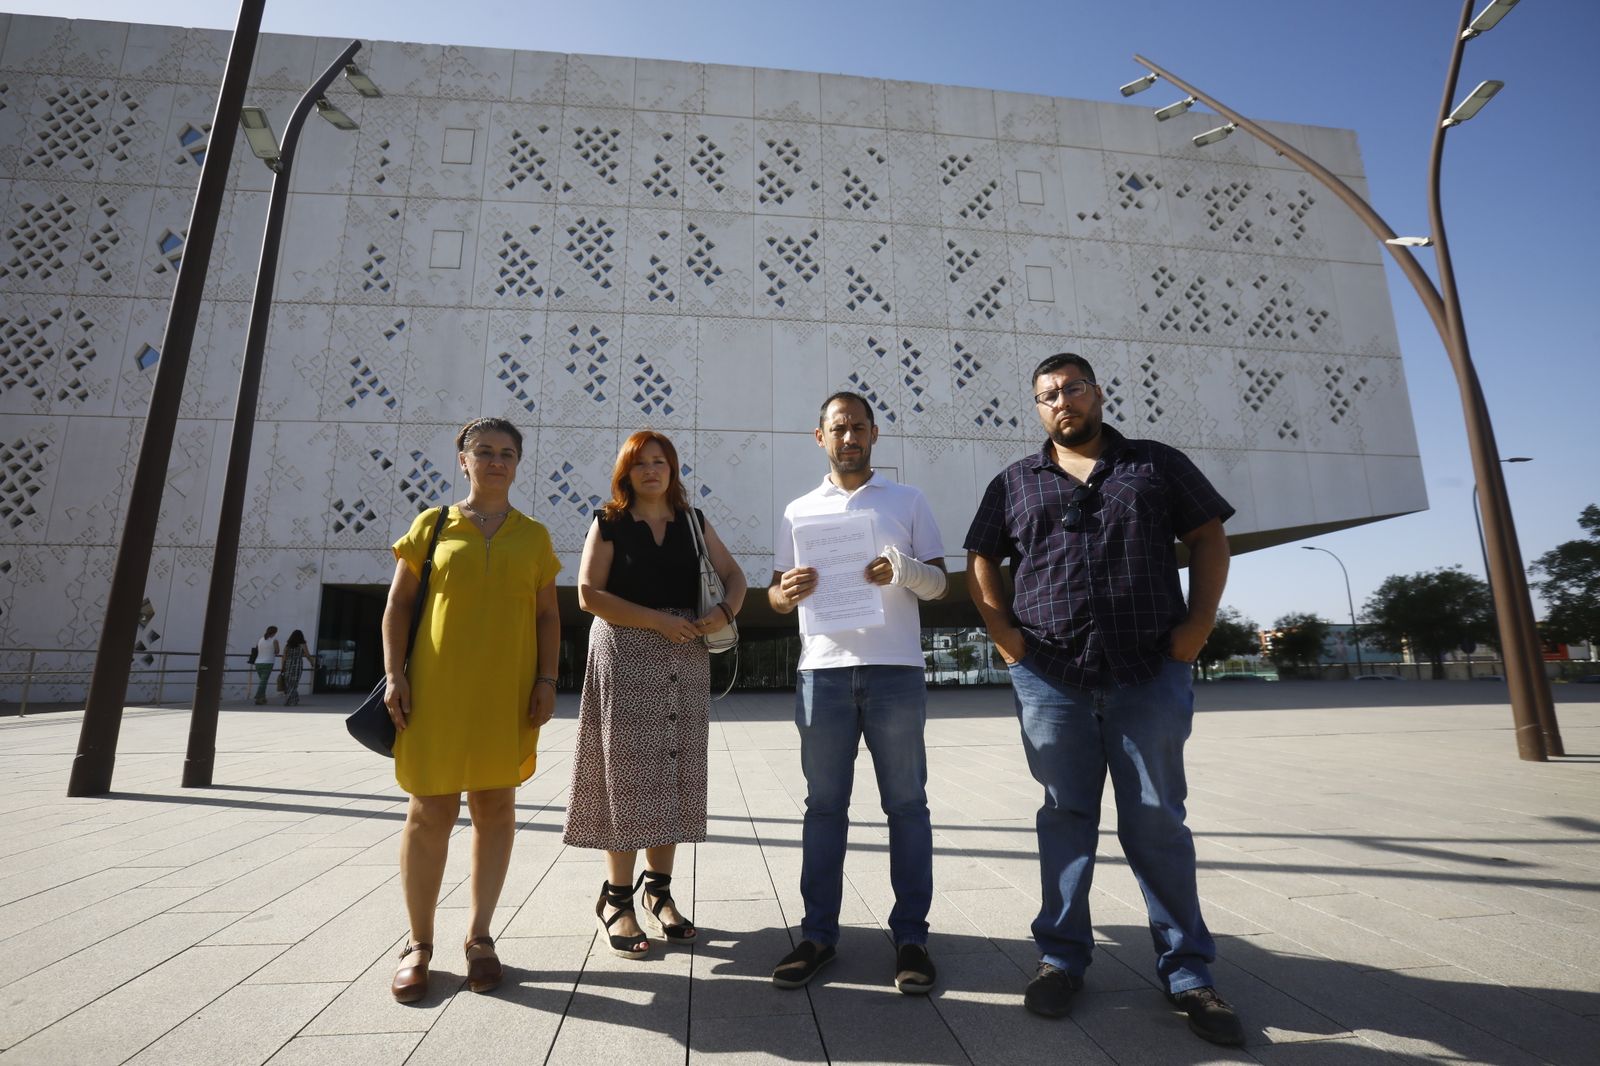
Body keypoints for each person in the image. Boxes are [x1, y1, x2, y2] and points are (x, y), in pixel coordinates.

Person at [963, 352, 1244, 1046]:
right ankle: (1060, 959)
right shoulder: (1014, 483)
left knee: (1156, 821)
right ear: (1038, 409)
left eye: (1073, 389)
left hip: (1148, 671)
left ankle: (1188, 973)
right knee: (1065, 818)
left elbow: (1209, 535)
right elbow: (980, 557)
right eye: (1048, 395)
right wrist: (1004, 636)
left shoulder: (1154, 464)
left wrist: (1198, 626)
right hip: (1051, 677)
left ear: (1096, 393)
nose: (1063, 402)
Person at [767, 392, 948, 995]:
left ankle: (913, 938)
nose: (849, 437)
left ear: (875, 434)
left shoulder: (908, 500)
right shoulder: (798, 510)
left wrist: (902, 569)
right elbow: (774, 595)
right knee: (823, 809)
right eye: (838, 428)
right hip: (823, 673)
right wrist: (784, 592)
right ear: (819, 436)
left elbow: (940, 584)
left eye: (859, 428)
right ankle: (818, 935)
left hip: (894, 671)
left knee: (907, 807)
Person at [382, 417, 561, 1003]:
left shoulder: (533, 536)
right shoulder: (432, 525)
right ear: (463, 460)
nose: (496, 461)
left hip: (505, 693)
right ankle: (418, 945)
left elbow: (547, 617)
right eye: (484, 452)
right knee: (428, 811)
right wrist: (394, 675)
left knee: (495, 808)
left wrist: (545, 678)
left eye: (507, 453)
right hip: (436, 691)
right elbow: (398, 607)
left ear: (517, 463)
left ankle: (480, 937)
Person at [563, 430, 746, 959]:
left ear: (673, 469)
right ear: (626, 471)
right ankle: (616, 900)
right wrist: (654, 622)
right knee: (624, 772)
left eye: (660, 461)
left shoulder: (693, 521)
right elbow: (587, 593)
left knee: (670, 769)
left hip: (684, 657)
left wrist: (724, 612)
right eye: (640, 462)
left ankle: (658, 892)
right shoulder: (610, 521)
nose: (651, 470)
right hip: (624, 655)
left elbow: (735, 576)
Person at [279, 629, 311, 706]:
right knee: (294, 683)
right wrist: (313, 663)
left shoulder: (288, 645)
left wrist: (282, 667)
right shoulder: (302, 645)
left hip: (288, 665)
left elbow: (284, 657)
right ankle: (291, 700)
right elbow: (307, 655)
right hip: (297, 665)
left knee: (289, 683)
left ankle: (293, 699)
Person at [251, 626, 279, 705]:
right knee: (263, 682)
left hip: (258, 663)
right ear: (274, 632)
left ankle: (263, 698)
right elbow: (277, 651)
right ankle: (258, 697)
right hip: (268, 663)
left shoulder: (260, 639)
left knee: (262, 682)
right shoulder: (274, 640)